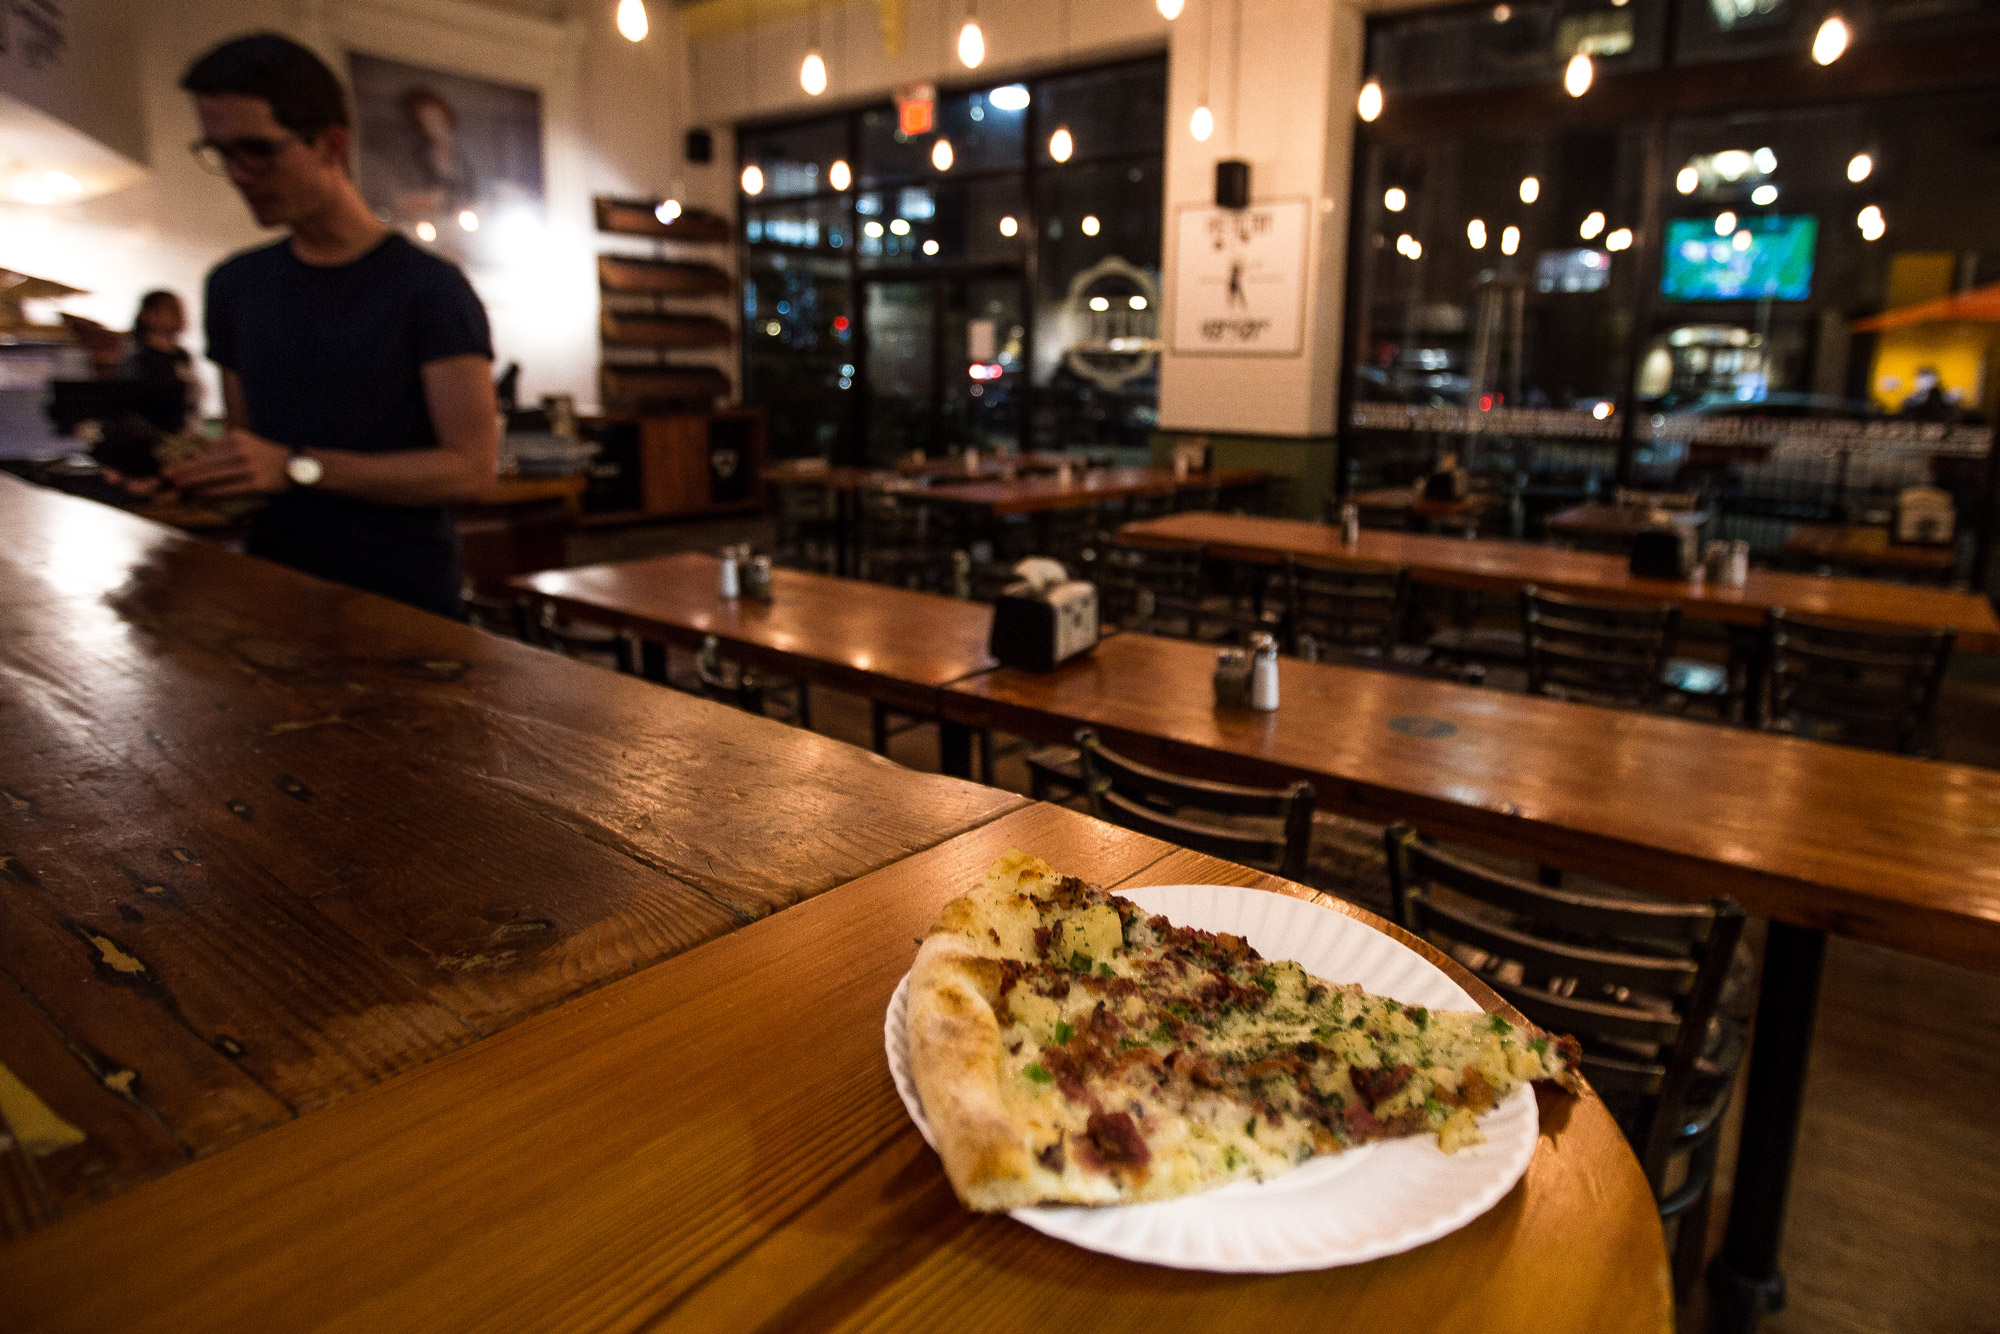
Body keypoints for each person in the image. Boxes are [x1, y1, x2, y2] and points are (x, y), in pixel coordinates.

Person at [168, 33, 498, 618]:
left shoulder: (430, 290)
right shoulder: (234, 286)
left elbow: (470, 471)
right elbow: (253, 453)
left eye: (258, 150)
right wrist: (188, 474)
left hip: (402, 610)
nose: (239, 173)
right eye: (220, 153)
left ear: (330, 145)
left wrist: (297, 467)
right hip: (275, 595)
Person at [122, 289, 198, 428]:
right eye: (172, 310)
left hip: (187, 430)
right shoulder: (140, 359)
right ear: (149, 316)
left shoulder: (182, 355)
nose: (180, 316)